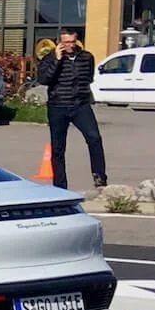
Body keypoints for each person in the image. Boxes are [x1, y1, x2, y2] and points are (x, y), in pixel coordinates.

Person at [36, 28, 106, 191]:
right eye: (66, 42)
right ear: (59, 43)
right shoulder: (49, 58)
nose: (70, 45)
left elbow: (88, 77)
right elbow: (44, 79)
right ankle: (60, 185)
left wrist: (82, 93)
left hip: (80, 105)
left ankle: (100, 177)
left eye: (72, 42)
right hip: (58, 105)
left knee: (94, 138)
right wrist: (57, 59)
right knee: (58, 147)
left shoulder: (86, 57)